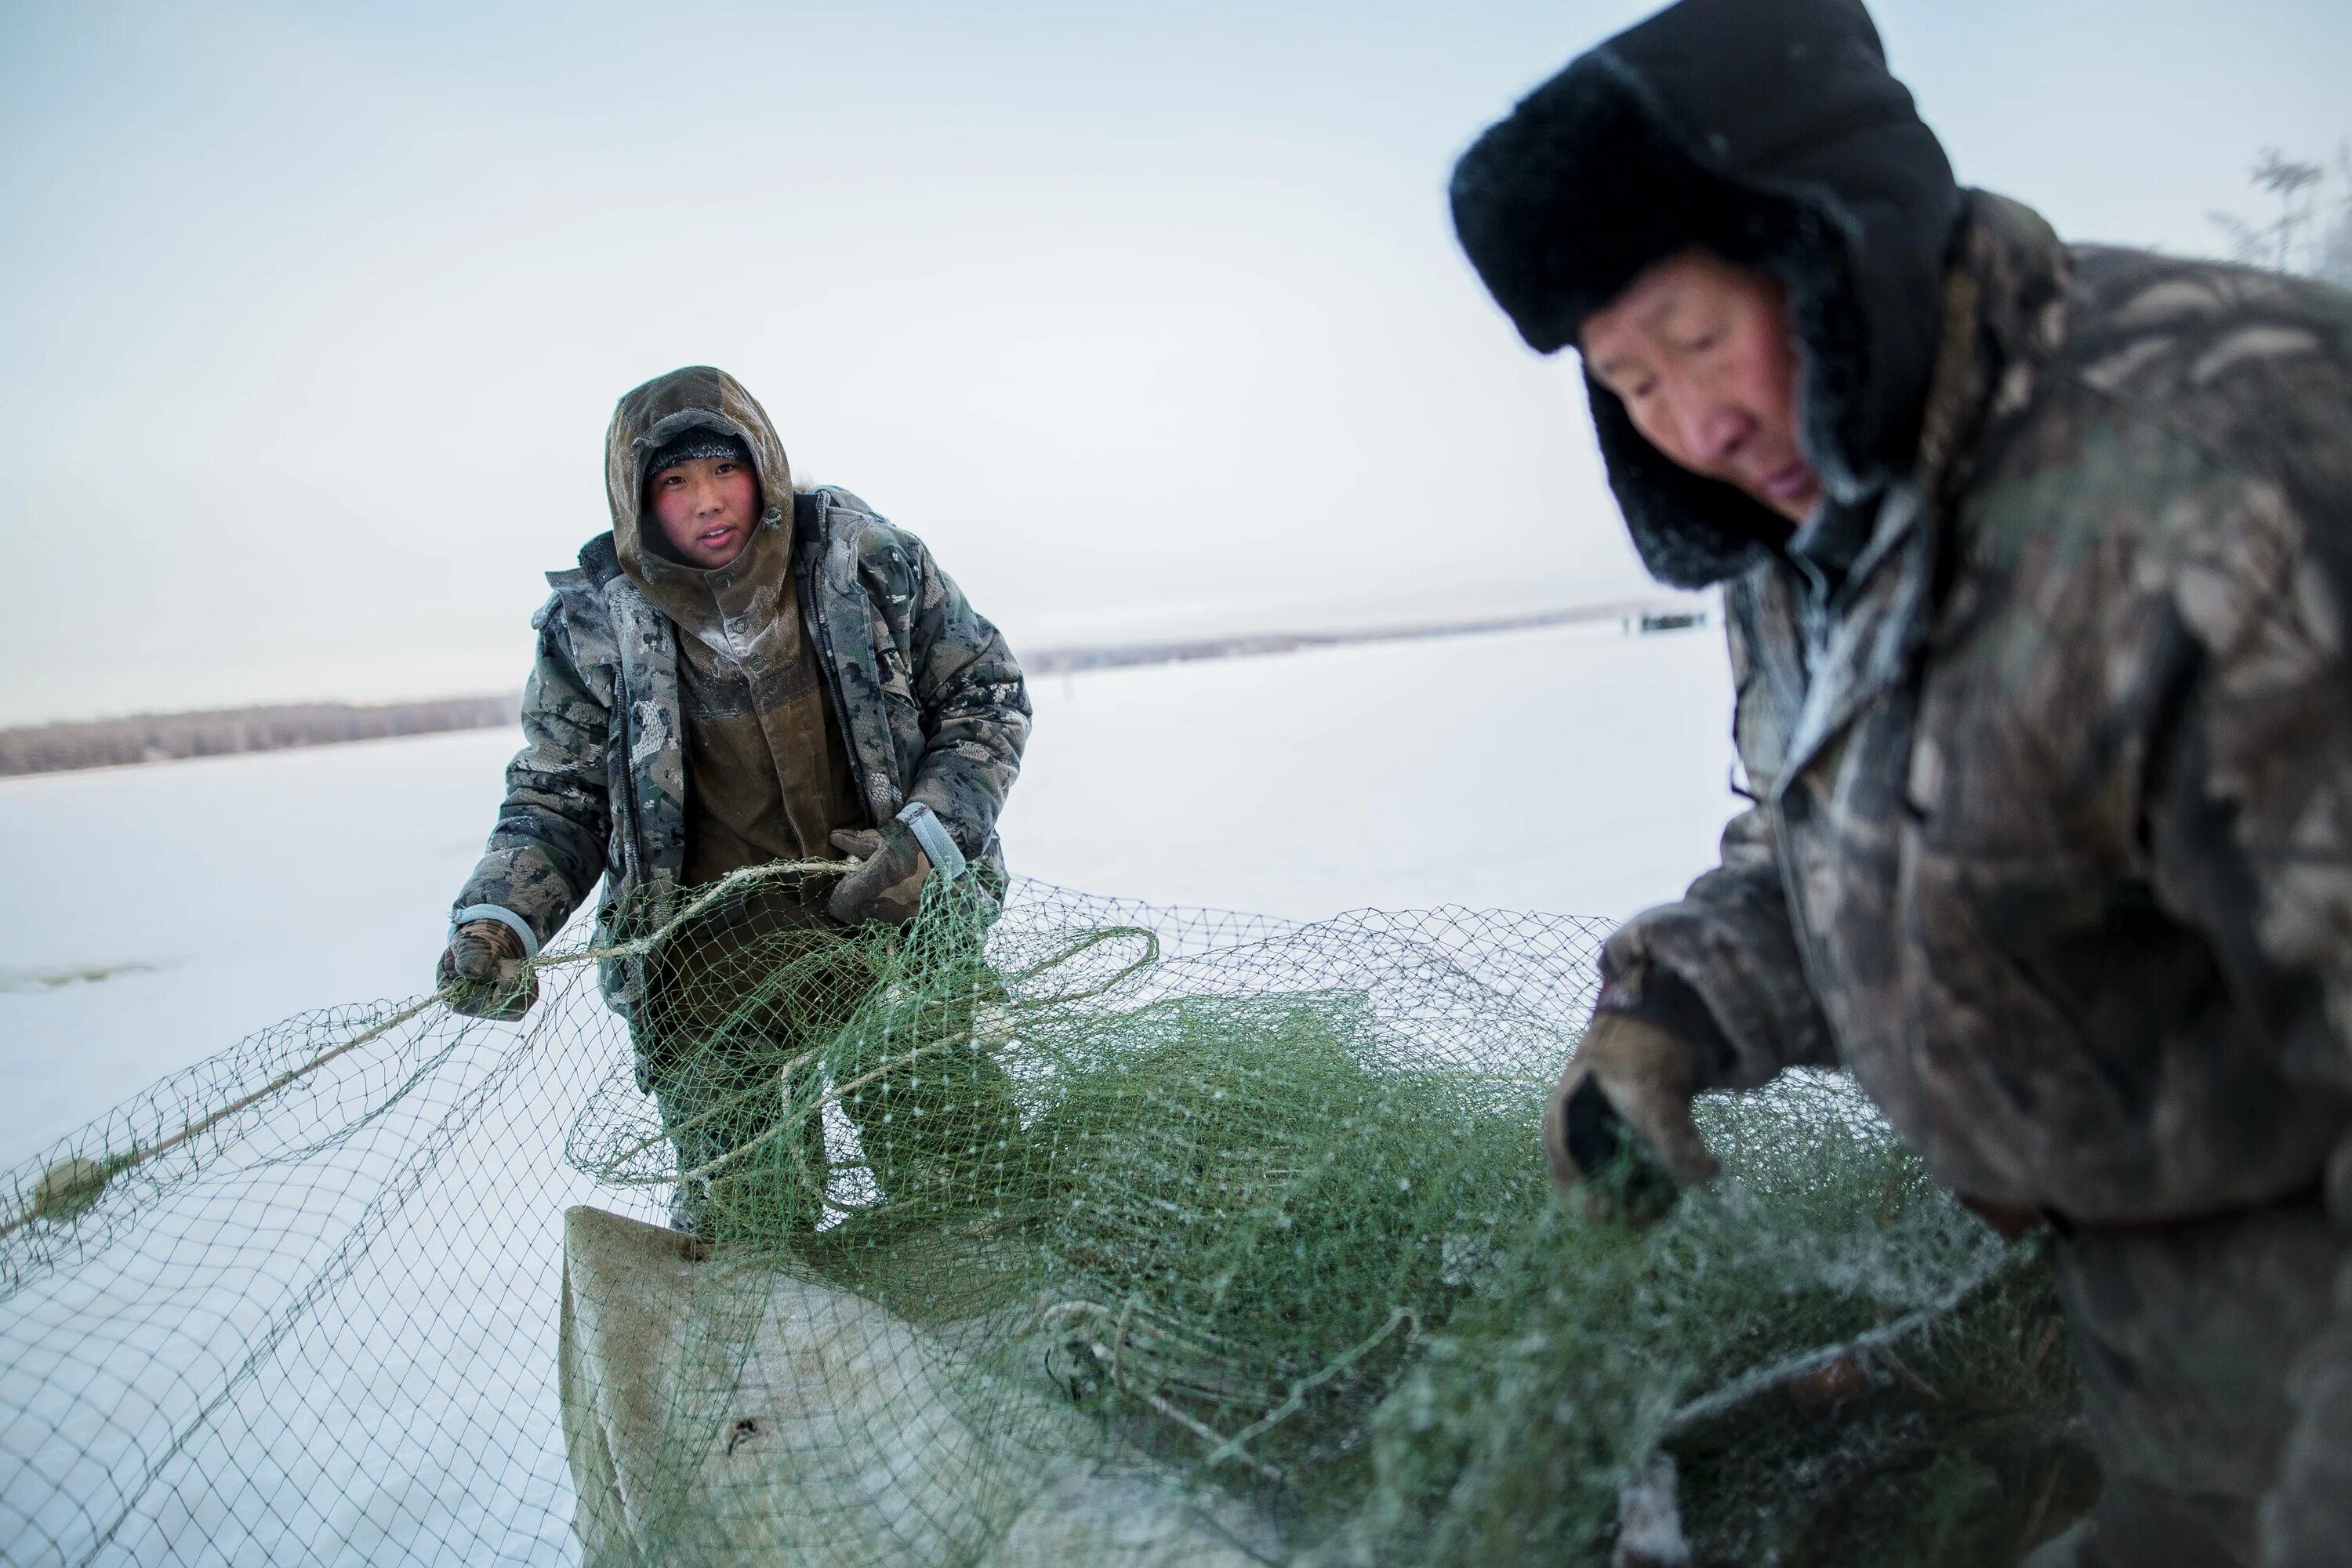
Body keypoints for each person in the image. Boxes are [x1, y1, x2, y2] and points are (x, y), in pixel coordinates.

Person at [1448, 1, 2352, 1563]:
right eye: (1633, 382)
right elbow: (1850, 822)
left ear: (1832, 240)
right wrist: (1673, 1009)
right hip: (2156, 1331)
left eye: (1703, 334)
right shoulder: (1820, 513)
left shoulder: (2216, 479)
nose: (1700, 424)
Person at [436, 365, 1031, 1236]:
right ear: (637, 502)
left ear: (764, 466)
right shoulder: (595, 627)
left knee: (966, 1193)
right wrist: (501, 919)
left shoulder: (865, 560)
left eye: (724, 469)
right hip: (711, 983)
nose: (707, 500)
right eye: (674, 483)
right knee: (753, 1240)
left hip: (894, 937)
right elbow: (559, 799)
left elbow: (986, 693)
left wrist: (929, 841)